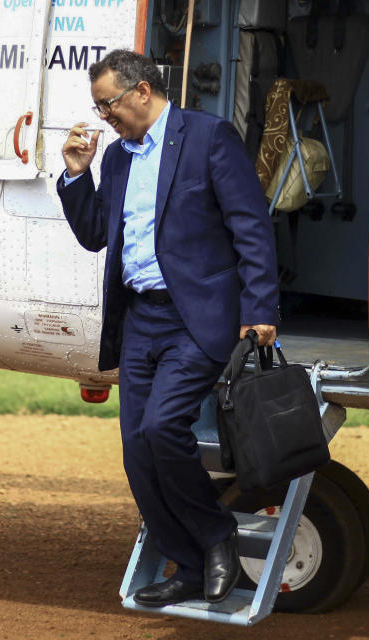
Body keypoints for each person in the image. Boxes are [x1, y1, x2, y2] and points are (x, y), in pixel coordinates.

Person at [56, 49, 280, 607]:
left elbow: (250, 226)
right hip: (139, 318)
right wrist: (76, 176)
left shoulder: (207, 137)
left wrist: (260, 308)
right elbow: (94, 235)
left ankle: (216, 534)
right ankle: (187, 561)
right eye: (97, 105)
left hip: (195, 317)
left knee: (162, 429)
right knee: (136, 448)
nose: (102, 116)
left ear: (140, 91)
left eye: (108, 103)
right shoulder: (117, 160)